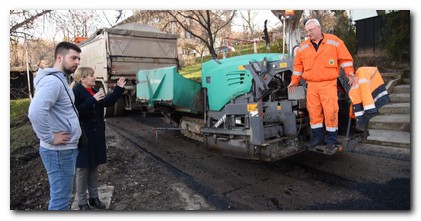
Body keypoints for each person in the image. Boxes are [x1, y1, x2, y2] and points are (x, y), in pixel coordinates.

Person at [288, 18, 357, 151]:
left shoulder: (334, 41)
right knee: (314, 113)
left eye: (311, 30)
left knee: (331, 111)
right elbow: (297, 67)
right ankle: (317, 138)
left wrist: (350, 73)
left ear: (318, 28)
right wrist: (294, 81)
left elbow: (345, 59)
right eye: (307, 31)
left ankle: (331, 140)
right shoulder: (302, 47)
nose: (308, 34)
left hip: (328, 84)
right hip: (312, 85)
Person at [28, 41, 82, 210]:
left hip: (64, 151)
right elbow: (35, 112)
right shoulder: (53, 82)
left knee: (62, 198)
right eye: (73, 58)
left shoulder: (60, 81)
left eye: (79, 59)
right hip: (59, 152)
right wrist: (49, 137)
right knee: (60, 202)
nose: (78, 62)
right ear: (59, 57)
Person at [71, 67, 126, 210]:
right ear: (83, 78)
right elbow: (77, 112)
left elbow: (107, 102)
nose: (94, 77)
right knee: (83, 169)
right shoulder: (75, 92)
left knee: (94, 166)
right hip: (83, 136)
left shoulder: (94, 90)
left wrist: (119, 89)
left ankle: (94, 198)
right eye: (92, 75)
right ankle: (82, 202)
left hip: (97, 135)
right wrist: (92, 100)